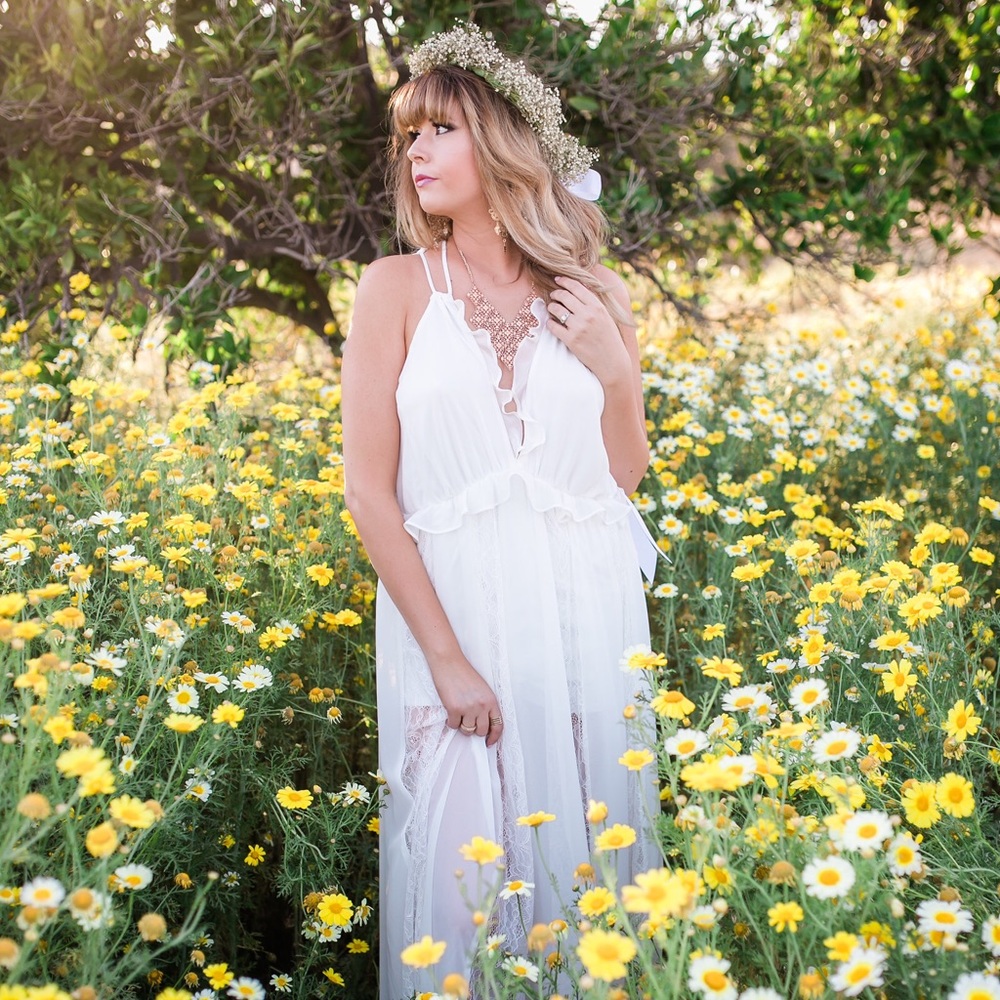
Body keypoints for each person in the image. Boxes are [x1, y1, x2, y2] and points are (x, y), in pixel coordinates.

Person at [341, 22, 659, 999]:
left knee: (583, 888)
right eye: (408, 137)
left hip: (580, 623)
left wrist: (615, 371)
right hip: (455, 621)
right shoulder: (392, 289)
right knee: (461, 895)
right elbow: (368, 490)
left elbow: (624, 479)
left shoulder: (593, 292)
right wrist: (444, 657)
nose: (416, 152)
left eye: (438, 129)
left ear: (503, 144)